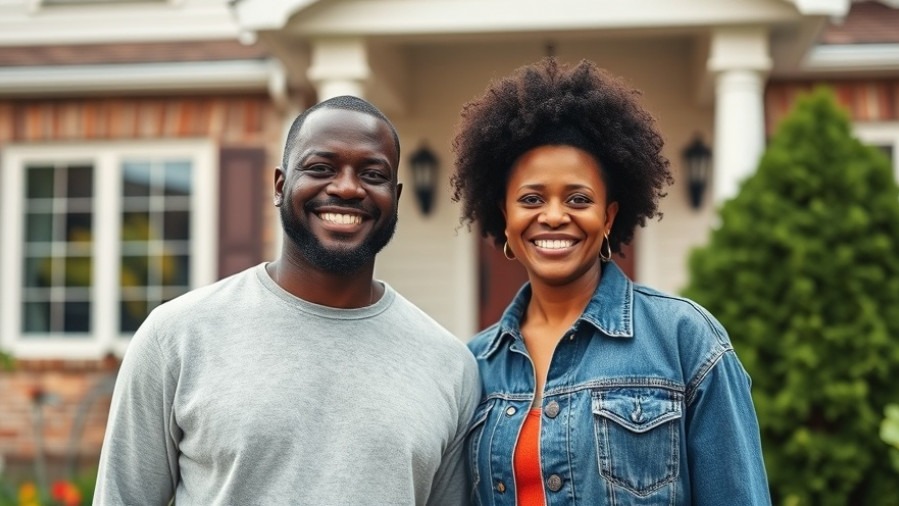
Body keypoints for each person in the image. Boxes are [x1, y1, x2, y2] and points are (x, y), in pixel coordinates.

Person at [94, 95, 480, 505]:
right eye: (321, 168)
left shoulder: (450, 366)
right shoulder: (176, 337)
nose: (347, 187)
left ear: (396, 196)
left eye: (372, 173)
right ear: (281, 186)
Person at [451, 58, 770, 505]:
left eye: (578, 198)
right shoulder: (474, 365)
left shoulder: (683, 340)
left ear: (608, 217)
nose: (555, 216)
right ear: (506, 217)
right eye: (531, 198)